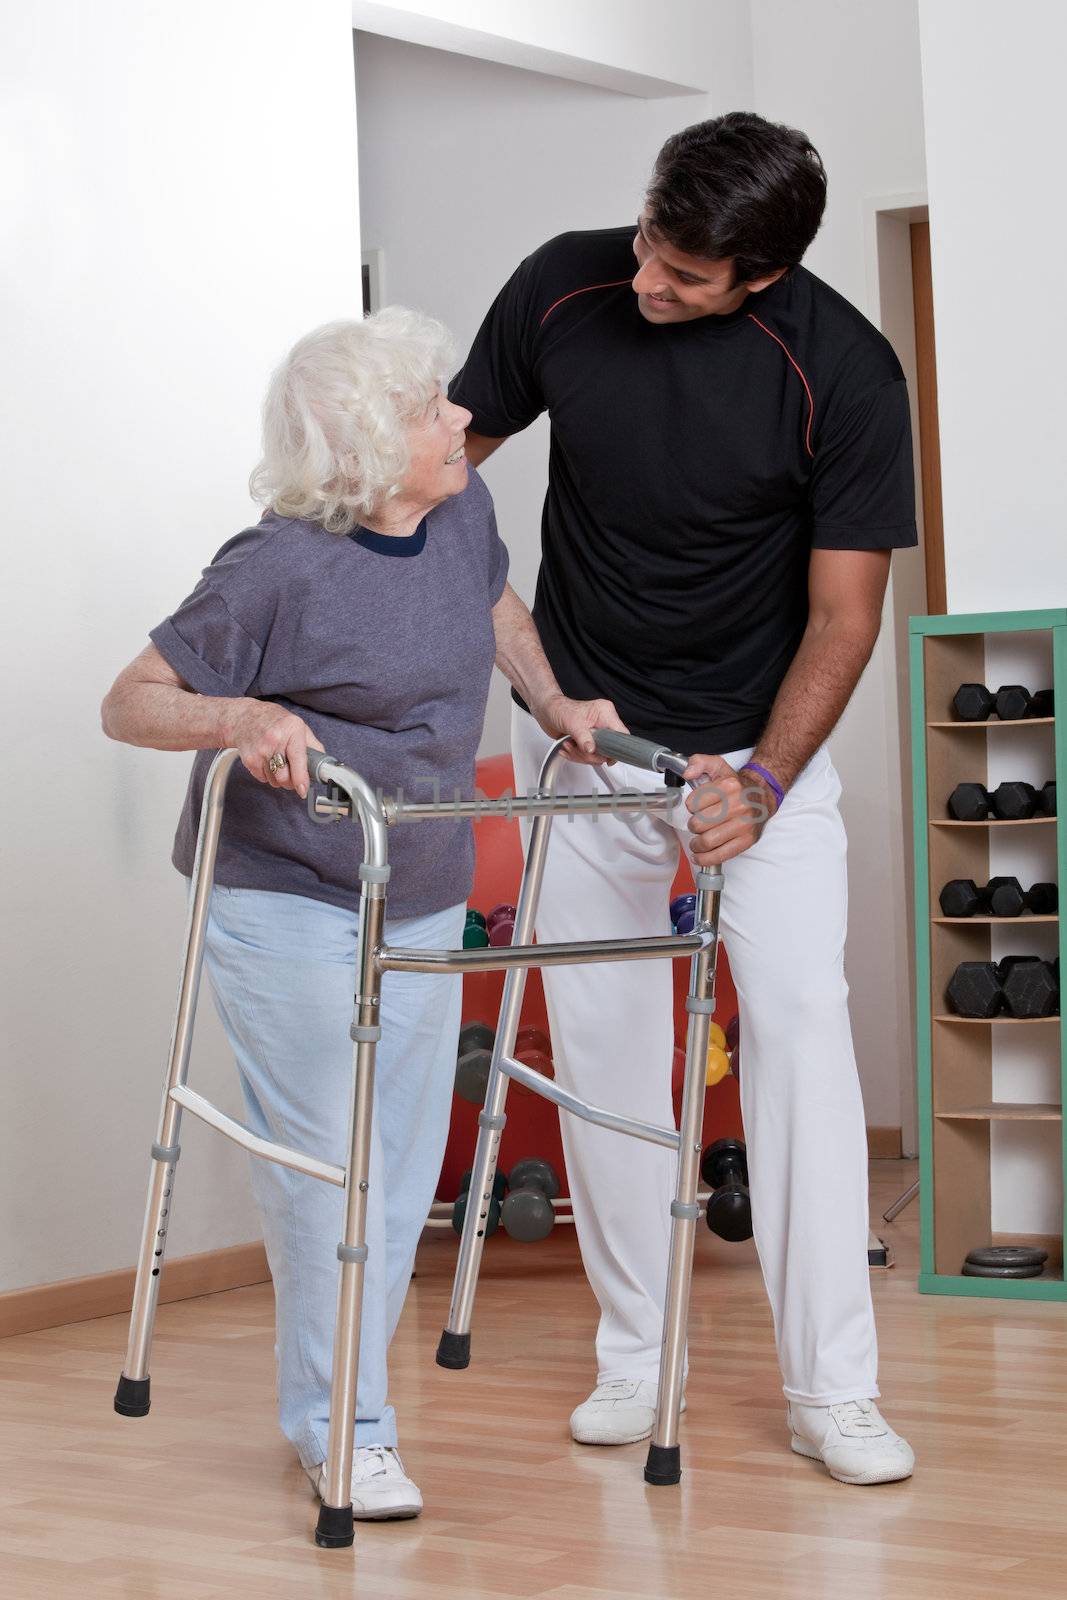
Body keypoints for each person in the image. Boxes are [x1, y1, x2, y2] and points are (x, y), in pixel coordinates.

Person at [449, 112, 918, 1486]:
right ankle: (631, 1353)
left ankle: (832, 1388)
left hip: (756, 757)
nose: (649, 276)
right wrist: (532, 682)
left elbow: (842, 617)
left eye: (687, 272)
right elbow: (432, 479)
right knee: (599, 1046)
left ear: (759, 275)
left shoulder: (840, 368)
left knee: (795, 1028)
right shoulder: (562, 285)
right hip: (591, 745)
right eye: (650, 236)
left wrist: (762, 785)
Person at [101, 308, 622, 1520]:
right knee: (332, 1164)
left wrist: (550, 699)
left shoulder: (461, 510)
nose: (458, 418)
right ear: (357, 444)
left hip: (421, 877)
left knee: (394, 1172)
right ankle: (346, 1427)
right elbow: (131, 701)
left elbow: (491, 603)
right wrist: (241, 719)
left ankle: (342, 1407)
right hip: (283, 889)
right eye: (429, 406)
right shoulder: (274, 564)